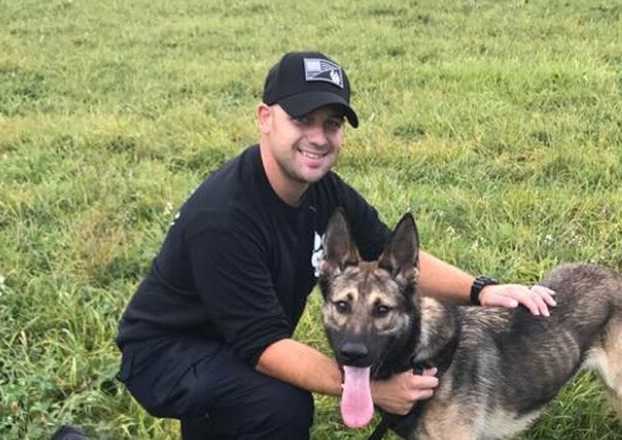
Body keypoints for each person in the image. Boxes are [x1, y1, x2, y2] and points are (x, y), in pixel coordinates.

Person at [115, 51, 556, 439]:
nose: (319, 137)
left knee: (245, 400)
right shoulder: (224, 219)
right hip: (167, 354)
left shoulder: (321, 190)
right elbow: (262, 346)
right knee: (279, 405)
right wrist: (370, 387)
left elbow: (394, 256)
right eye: (301, 119)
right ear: (265, 118)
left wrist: (482, 291)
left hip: (234, 338)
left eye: (331, 123)